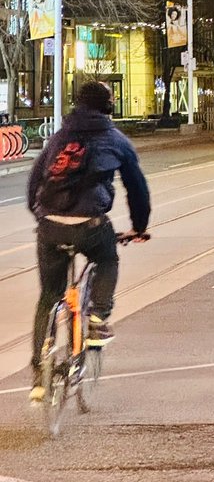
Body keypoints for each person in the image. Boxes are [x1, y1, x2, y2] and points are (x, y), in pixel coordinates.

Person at [27, 80, 151, 404]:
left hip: (50, 226)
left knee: (48, 297)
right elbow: (137, 188)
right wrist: (138, 227)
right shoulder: (115, 139)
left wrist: (41, 217)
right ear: (107, 106)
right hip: (90, 225)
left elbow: (34, 181)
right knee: (108, 259)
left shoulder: (59, 136)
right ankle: (97, 316)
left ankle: (39, 375)